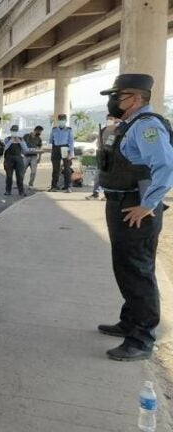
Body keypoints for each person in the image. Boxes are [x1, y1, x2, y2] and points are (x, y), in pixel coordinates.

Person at [96, 74, 173, 361]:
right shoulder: (129, 126)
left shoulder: (148, 126)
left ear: (138, 98)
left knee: (137, 271)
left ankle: (141, 338)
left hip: (134, 207)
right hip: (122, 203)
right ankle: (129, 320)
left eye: (119, 95)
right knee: (127, 267)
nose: (114, 101)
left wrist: (148, 204)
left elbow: (165, 166)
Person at [87, 115, 116, 201]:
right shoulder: (103, 130)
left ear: (115, 120)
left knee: (110, 177)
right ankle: (95, 193)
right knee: (98, 176)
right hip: (103, 157)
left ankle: (107, 195)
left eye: (111, 119)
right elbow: (98, 143)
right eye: (108, 119)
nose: (109, 120)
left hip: (112, 157)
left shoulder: (117, 130)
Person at [48, 113, 75, 192]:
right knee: (55, 169)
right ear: (58, 120)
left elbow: (71, 142)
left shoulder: (69, 130)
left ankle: (68, 187)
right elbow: (50, 141)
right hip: (55, 148)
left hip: (65, 148)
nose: (61, 121)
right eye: (60, 120)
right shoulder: (54, 129)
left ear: (65, 121)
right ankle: (54, 186)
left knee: (67, 169)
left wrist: (71, 153)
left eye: (63, 120)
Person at [3, 124, 28, 196]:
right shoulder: (7, 139)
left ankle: (21, 191)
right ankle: (8, 191)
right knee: (9, 176)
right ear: (11, 131)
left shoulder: (21, 139)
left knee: (20, 176)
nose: (14, 132)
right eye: (13, 131)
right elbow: (5, 148)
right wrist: (11, 140)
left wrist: (19, 141)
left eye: (16, 131)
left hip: (18, 158)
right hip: (9, 158)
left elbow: (25, 149)